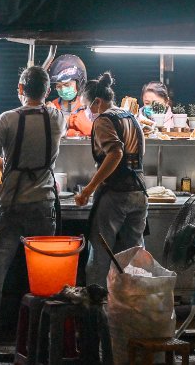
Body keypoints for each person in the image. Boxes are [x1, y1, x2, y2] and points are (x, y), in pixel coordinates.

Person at [0, 66, 65, 338]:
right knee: (44, 265)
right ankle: (44, 323)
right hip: (43, 202)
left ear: (20, 89)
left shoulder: (6, 120)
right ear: (48, 91)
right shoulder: (56, 118)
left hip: (10, 202)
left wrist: (4, 164)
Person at [75, 72, 148, 288]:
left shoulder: (103, 120)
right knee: (134, 255)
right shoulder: (130, 116)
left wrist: (88, 189)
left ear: (97, 102)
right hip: (140, 193)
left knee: (100, 251)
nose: (87, 112)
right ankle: (133, 303)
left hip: (116, 194)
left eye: (87, 106)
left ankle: (95, 307)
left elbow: (115, 153)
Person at [47, 54, 92, 137]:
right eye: (59, 86)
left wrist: (68, 123)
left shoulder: (87, 106)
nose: (63, 89)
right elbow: (50, 132)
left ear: (78, 83)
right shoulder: (53, 106)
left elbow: (92, 131)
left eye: (67, 85)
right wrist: (76, 132)